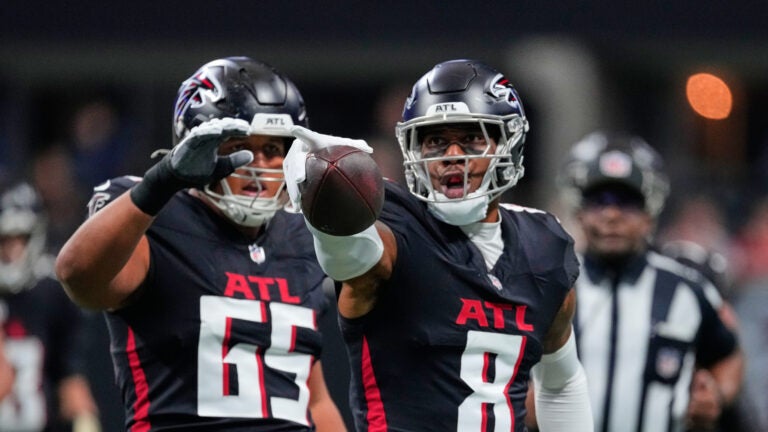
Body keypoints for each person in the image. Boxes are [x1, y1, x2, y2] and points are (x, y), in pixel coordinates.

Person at [283, 59, 593, 431]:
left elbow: (561, 383)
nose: (451, 156)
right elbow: (350, 258)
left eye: (472, 138)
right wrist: (329, 210)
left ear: (506, 144)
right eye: (435, 141)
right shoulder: (397, 224)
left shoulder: (544, 245)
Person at [55, 56, 346, 431]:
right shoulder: (153, 213)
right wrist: (160, 183)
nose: (257, 165)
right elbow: (79, 279)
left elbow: (313, 397)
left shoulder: (299, 238)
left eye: (273, 150)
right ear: (198, 144)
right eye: (238, 146)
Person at [558, 131, 744, 432]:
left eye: (627, 201)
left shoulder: (687, 288)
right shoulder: (549, 283)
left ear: (650, 213)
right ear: (580, 211)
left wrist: (717, 397)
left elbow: (728, 354)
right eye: (599, 201)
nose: (612, 214)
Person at [0, 181, 101, 431]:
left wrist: (84, 421)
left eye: (20, 239)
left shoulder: (51, 293)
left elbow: (71, 379)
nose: (12, 251)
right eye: (5, 240)